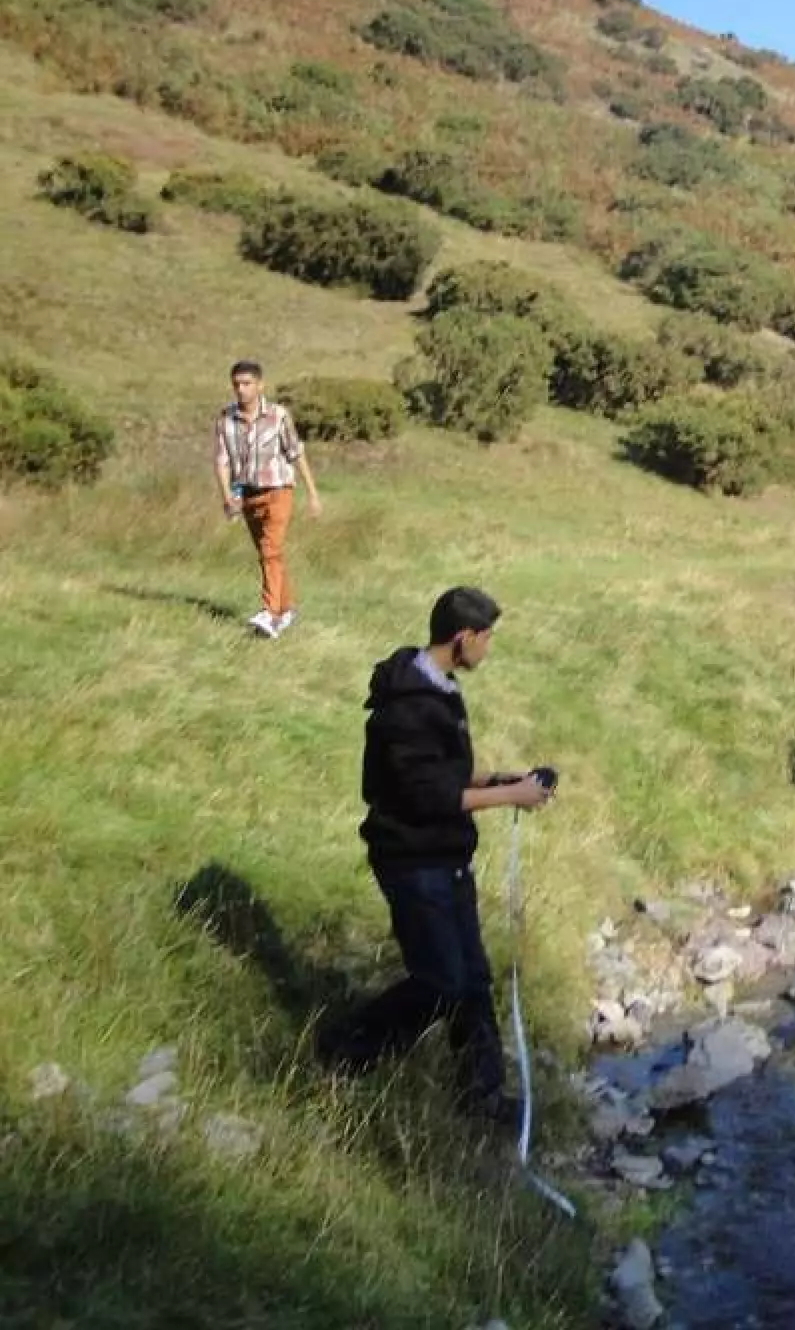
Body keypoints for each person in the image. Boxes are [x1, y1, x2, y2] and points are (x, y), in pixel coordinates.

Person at [317, 586, 556, 1123]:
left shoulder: (439, 689)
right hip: (411, 860)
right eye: (488, 636)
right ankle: (346, 1049)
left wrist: (501, 779)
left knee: (472, 980)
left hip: (445, 858)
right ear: (463, 636)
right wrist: (511, 797)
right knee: (439, 983)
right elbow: (427, 797)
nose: (490, 647)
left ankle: (482, 1096)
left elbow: (440, 775)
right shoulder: (407, 707)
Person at [213, 359, 322, 638]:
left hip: (278, 490)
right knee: (268, 553)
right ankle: (286, 607)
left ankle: (269, 613)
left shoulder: (278, 415)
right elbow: (222, 461)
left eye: (247, 383)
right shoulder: (225, 419)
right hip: (248, 493)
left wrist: (312, 493)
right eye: (237, 384)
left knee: (270, 549)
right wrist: (228, 497)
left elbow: (296, 453)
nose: (241, 389)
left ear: (260, 385)